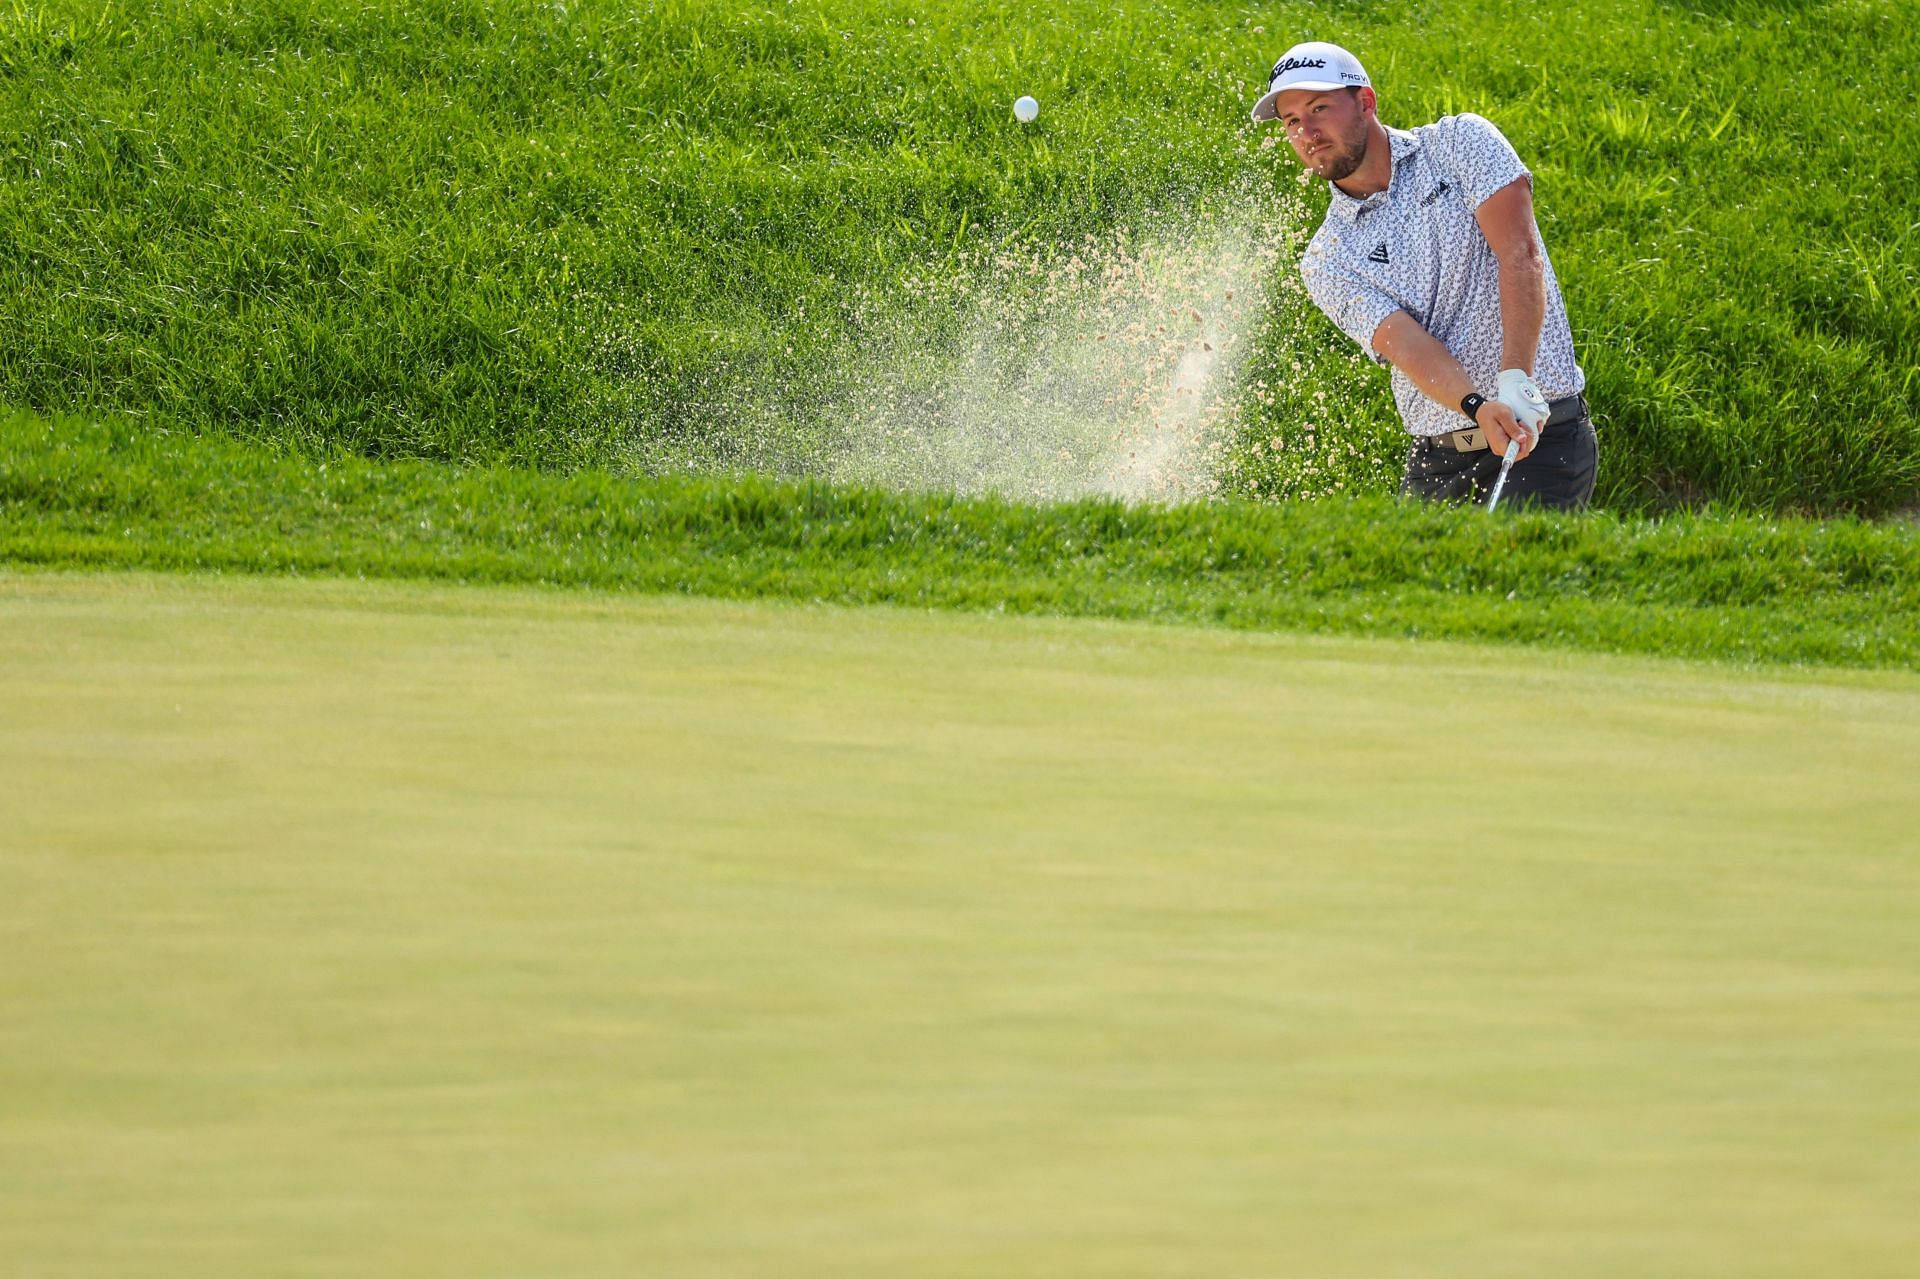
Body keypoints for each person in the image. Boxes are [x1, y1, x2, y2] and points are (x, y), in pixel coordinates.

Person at [1251, 42, 1597, 509]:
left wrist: (1515, 377)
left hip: (1539, 439)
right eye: (1292, 121)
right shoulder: (1327, 258)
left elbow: (1520, 255)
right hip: (1440, 461)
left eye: (1319, 108)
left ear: (1366, 102)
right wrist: (1478, 405)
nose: (1307, 131)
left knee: (1505, 573)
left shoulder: (1460, 144)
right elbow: (1407, 346)